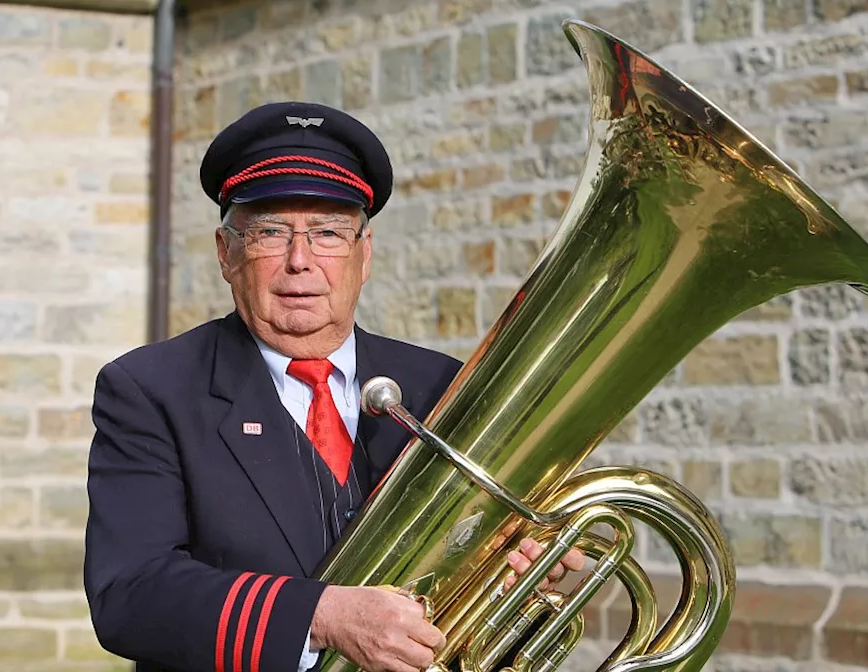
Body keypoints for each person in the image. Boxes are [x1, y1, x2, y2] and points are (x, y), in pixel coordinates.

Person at [83, 101, 585, 672]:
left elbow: (479, 597)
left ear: (363, 255)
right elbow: (129, 594)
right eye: (271, 232)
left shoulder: (443, 387)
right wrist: (323, 616)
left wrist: (526, 576)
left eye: (328, 233)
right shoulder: (150, 389)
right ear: (227, 254)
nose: (300, 261)